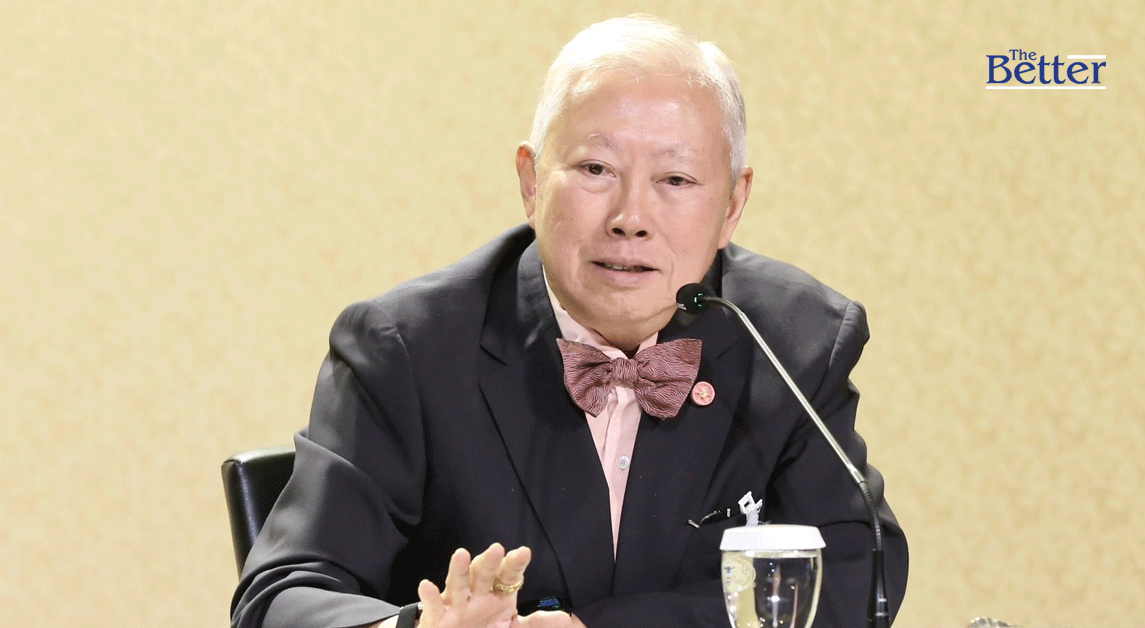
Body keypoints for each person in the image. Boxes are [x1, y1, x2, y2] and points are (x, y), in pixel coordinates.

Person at [231, 14, 908, 628]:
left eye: (675, 180)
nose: (631, 218)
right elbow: (282, 598)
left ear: (733, 204)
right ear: (531, 182)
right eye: (595, 168)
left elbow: (857, 577)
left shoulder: (793, 339)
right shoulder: (408, 349)